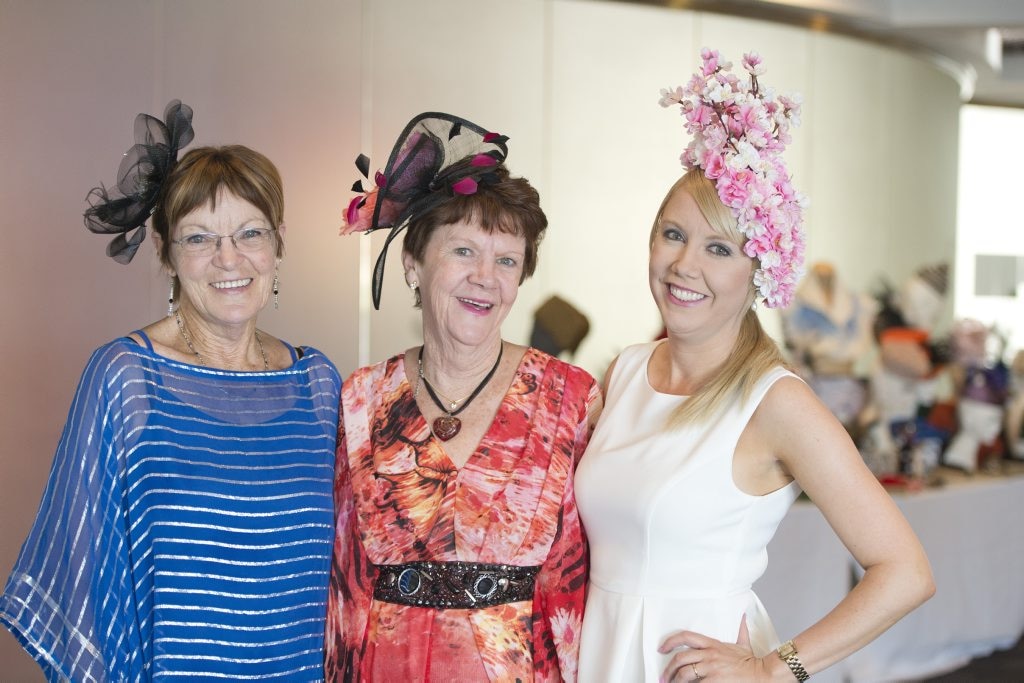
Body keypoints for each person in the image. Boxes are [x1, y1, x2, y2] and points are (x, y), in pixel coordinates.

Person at [574, 50, 934, 682]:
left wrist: (775, 669)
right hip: (597, 655)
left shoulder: (775, 401)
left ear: (759, 269)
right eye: (672, 234)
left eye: (719, 248)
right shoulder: (624, 371)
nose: (685, 266)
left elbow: (905, 571)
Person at [0, 101, 341, 681]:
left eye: (250, 233)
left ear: (279, 243)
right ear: (165, 251)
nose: (228, 259)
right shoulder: (126, 377)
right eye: (199, 238)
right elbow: (75, 568)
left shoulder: (318, 384)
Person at [327, 112, 599, 681]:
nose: (485, 276)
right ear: (413, 264)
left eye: (506, 260)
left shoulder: (571, 401)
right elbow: (343, 588)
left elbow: (586, 588)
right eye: (463, 251)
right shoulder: (359, 400)